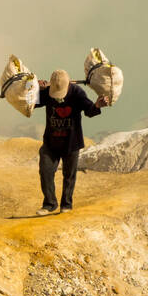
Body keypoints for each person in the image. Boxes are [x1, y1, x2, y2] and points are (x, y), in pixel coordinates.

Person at [33, 69, 107, 214]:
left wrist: (97, 105)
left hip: (71, 142)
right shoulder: (47, 92)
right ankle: (50, 204)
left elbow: (89, 110)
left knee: (69, 175)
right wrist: (33, 88)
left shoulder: (77, 93)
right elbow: (31, 104)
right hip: (50, 142)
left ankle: (66, 204)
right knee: (45, 171)